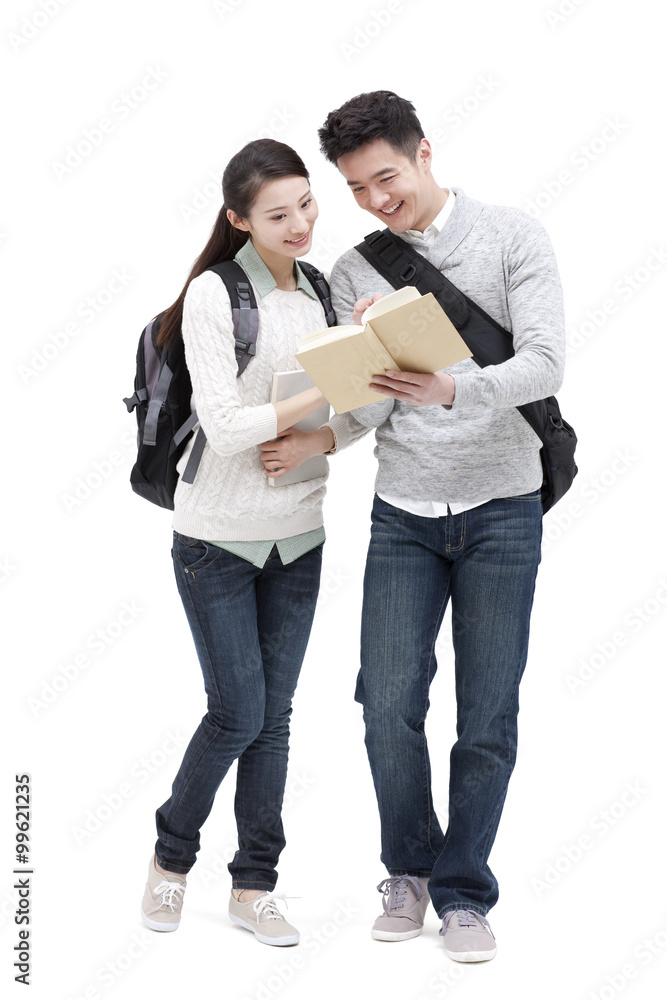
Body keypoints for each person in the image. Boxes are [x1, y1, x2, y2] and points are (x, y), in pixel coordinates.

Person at [273, 90, 566, 961]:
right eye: (357, 189)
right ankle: (408, 871)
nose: (374, 203)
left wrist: (455, 388)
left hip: (502, 508)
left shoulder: (513, 235)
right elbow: (369, 406)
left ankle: (466, 895)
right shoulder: (360, 267)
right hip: (403, 510)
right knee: (385, 705)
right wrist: (325, 424)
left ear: (424, 152)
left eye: (385, 180)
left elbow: (546, 362)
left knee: (485, 713)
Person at [140, 139, 338, 947]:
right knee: (237, 713)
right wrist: (320, 398)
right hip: (216, 539)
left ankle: (254, 886)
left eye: (305, 204)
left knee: (276, 718)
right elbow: (222, 430)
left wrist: (318, 440)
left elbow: (353, 415)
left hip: (299, 537)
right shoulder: (215, 298)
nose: (298, 224)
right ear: (238, 220)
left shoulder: (322, 291)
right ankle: (169, 860)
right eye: (276, 213)